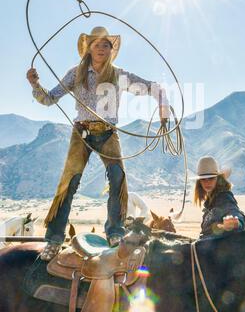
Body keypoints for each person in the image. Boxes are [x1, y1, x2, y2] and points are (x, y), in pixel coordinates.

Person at [26, 26, 170, 259]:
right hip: (81, 133)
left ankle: (114, 232)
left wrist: (163, 103)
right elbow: (49, 99)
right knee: (68, 183)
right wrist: (35, 85)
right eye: (97, 44)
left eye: (106, 45)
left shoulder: (119, 75)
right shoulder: (75, 73)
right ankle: (53, 239)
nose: (102, 48)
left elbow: (152, 88)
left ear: (111, 50)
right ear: (89, 48)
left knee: (117, 178)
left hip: (108, 133)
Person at [193, 156, 245, 237]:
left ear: (217, 179)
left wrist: (236, 222)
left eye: (211, 178)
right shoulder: (210, 202)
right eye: (203, 179)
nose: (207, 182)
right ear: (199, 182)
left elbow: (234, 211)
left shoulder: (224, 197)